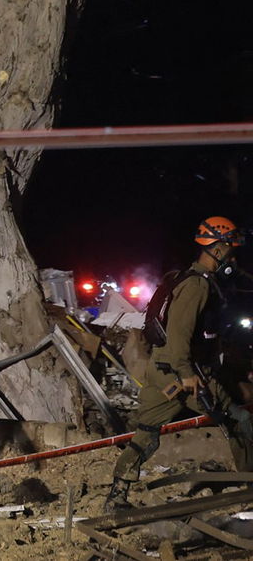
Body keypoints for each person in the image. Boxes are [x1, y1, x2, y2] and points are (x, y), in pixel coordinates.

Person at [105, 216, 253, 511]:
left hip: (166, 374)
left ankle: (116, 498)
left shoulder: (186, 278)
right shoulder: (197, 286)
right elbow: (178, 338)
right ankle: (250, 486)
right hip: (184, 376)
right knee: (241, 420)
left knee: (146, 434)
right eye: (231, 250)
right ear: (218, 249)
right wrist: (187, 373)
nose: (233, 258)